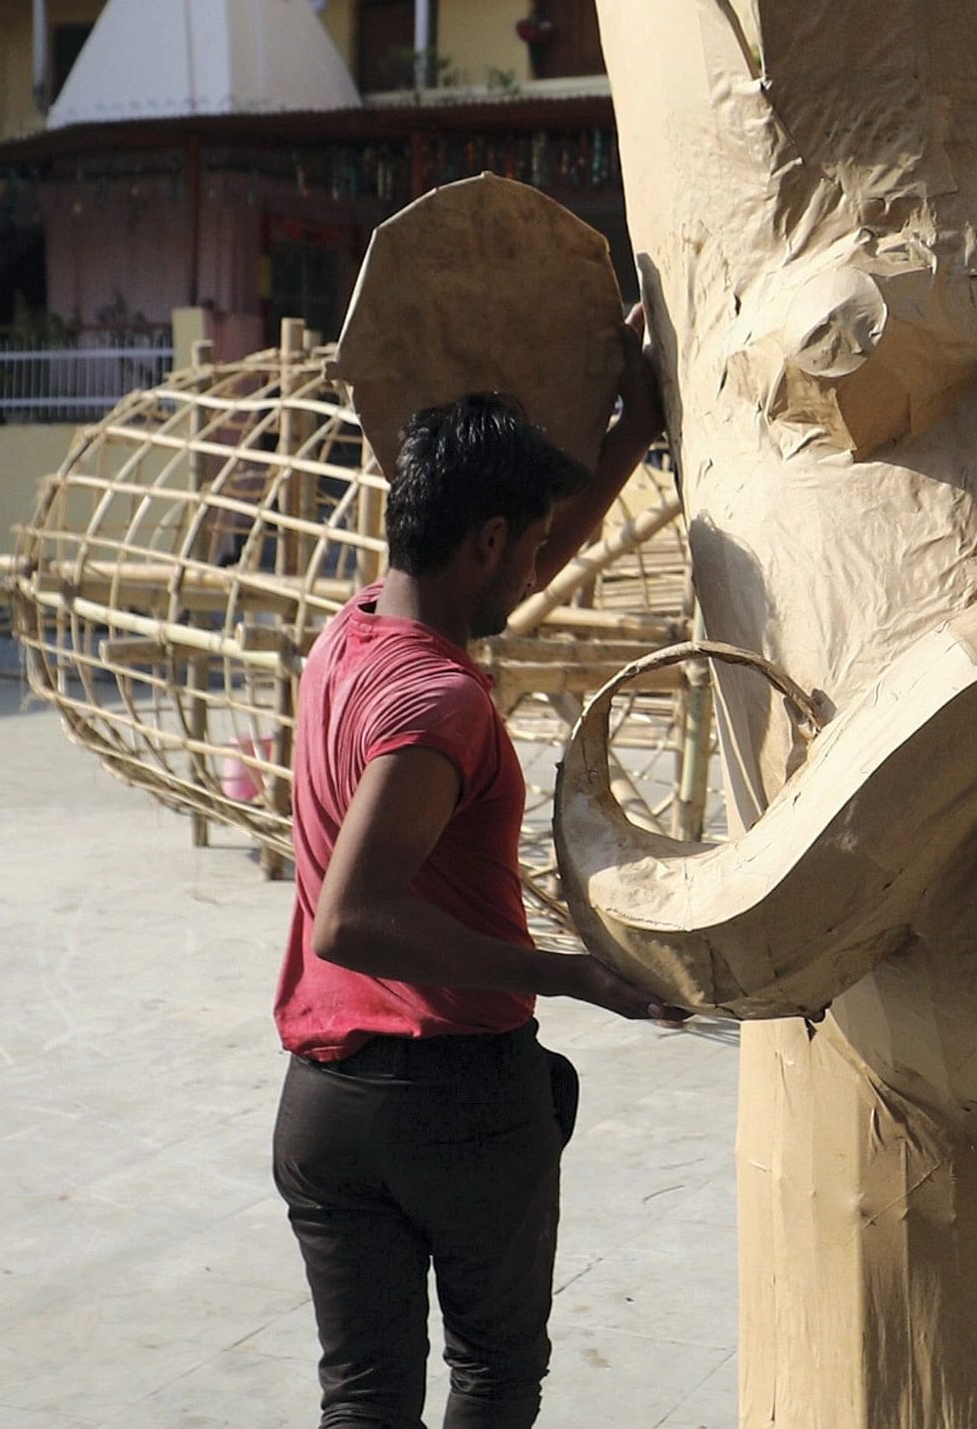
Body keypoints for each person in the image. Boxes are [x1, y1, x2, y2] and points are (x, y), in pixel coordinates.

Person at [271, 327, 683, 1429]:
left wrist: (627, 438)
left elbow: (514, 563)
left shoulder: (352, 632)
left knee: (362, 1401)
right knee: (494, 1380)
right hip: (450, 1099)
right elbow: (353, 920)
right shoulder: (439, 703)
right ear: (486, 538)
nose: (544, 565)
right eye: (530, 542)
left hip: (326, 1109)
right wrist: (575, 974)